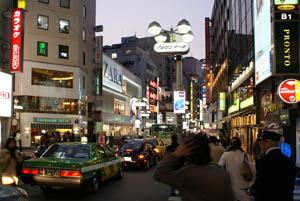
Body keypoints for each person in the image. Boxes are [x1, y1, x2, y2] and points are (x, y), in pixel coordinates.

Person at [154, 135, 234, 201]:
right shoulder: (223, 174)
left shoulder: (186, 174)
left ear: (189, 154)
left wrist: (176, 154)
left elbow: (159, 174)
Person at [251, 130, 296, 201]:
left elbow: (260, 185)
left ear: (268, 143)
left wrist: (252, 190)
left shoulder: (264, 160)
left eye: (263, 142)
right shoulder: (288, 161)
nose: (261, 144)